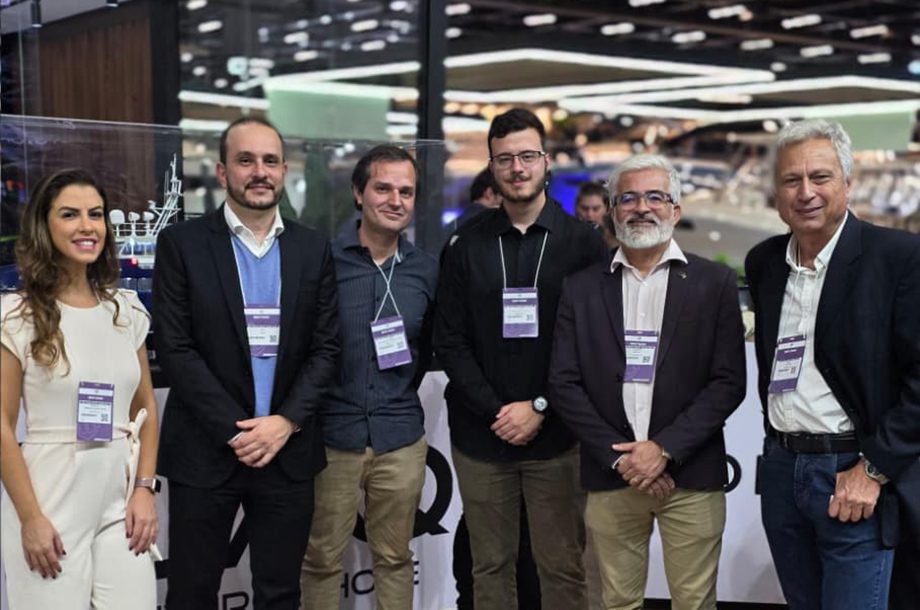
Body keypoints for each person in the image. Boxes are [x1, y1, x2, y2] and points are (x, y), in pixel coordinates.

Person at [153, 117, 340, 609]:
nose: (260, 171)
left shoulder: (312, 247)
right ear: (222, 172)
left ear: (283, 171)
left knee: (280, 594)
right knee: (192, 592)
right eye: (245, 160)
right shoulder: (182, 244)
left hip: (287, 452)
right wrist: (237, 432)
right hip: (207, 452)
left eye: (270, 161)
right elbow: (175, 349)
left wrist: (285, 422)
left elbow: (326, 348)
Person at [548, 154, 746, 609]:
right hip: (612, 474)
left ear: (675, 210)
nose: (641, 207)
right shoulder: (580, 288)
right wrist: (624, 459)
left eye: (655, 197)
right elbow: (563, 383)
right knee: (617, 602)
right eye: (628, 198)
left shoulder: (714, 282)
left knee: (694, 602)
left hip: (690, 477)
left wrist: (664, 450)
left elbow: (728, 382)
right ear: (612, 211)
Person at [434, 107, 607, 610]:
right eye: (504, 159)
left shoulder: (583, 244)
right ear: (491, 167)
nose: (517, 168)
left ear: (546, 161)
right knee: (489, 568)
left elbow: (593, 344)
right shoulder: (465, 243)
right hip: (481, 437)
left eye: (527, 156)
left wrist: (540, 406)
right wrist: (498, 410)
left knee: (562, 567)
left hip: (558, 437)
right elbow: (450, 340)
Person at [745, 119, 920, 610]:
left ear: (848, 182)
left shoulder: (898, 258)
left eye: (820, 177)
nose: (806, 192)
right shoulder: (765, 263)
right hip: (782, 472)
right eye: (791, 180)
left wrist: (875, 469)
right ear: (776, 193)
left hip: (854, 474)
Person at [0, 168, 159, 609]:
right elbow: (2, 424)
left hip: (119, 497)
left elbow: (145, 406)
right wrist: (30, 518)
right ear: (44, 225)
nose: (87, 226)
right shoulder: (17, 315)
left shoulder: (125, 310)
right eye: (70, 214)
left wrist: (144, 488)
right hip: (49, 496)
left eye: (96, 214)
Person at [300, 145, 438, 609]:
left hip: (400, 436)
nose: (395, 200)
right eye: (383, 188)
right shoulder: (323, 262)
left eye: (406, 191)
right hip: (332, 437)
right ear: (359, 194)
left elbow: (424, 350)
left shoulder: (426, 270)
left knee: (395, 557)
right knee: (321, 559)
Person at [574, 180, 617, 250]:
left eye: (596, 209)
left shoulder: (620, 242)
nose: (589, 215)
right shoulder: (564, 238)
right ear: (576, 208)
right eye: (584, 208)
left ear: (607, 209)